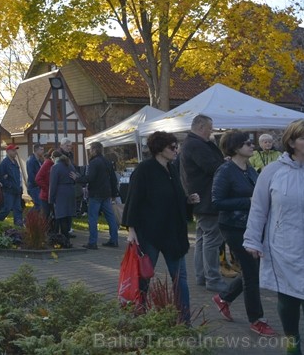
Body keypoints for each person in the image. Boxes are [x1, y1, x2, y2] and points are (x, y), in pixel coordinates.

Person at [244, 119, 304, 354]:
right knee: (288, 303)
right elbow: (258, 208)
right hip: (285, 249)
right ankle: (292, 345)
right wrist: (252, 240)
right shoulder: (273, 171)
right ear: (292, 142)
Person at [123, 131, 198, 324]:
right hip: (150, 233)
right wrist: (131, 230)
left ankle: (185, 321)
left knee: (180, 279)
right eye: (172, 147)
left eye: (177, 146)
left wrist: (188, 201)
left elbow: (174, 198)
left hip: (173, 233)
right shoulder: (144, 170)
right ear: (159, 149)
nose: (176, 150)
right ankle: (137, 318)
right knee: (144, 278)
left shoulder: (172, 169)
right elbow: (134, 200)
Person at [210, 131, 277, 337]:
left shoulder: (249, 169)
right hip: (233, 227)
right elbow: (217, 201)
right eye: (246, 143)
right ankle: (256, 319)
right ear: (235, 147)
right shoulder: (225, 170)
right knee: (251, 273)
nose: (252, 145)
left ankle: (224, 298)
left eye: (250, 142)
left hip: (252, 226)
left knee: (253, 270)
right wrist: (248, 202)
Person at [179, 114, 227, 292]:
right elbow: (212, 167)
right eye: (209, 128)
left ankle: (202, 275)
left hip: (200, 197)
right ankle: (212, 278)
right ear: (200, 127)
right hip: (207, 198)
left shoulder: (190, 143)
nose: (211, 131)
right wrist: (226, 164)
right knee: (211, 240)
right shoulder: (197, 145)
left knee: (202, 238)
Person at [76, 141, 119, 249]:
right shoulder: (107, 161)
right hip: (106, 193)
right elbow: (113, 179)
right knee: (111, 217)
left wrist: (77, 178)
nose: (90, 151)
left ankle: (92, 242)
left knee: (93, 218)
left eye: (90, 149)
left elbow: (90, 178)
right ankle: (114, 240)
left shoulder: (94, 162)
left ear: (94, 150)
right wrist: (114, 193)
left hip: (96, 193)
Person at [49, 150, 77, 241]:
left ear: (54, 158)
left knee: (61, 215)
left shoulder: (55, 167)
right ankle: (67, 234)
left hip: (60, 192)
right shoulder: (70, 165)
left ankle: (64, 238)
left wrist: (51, 198)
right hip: (71, 191)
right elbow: (75, 178)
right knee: (69, 215)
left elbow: (53, 184)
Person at [0, 144, 24, 227]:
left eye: (15, 150)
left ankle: (18, 226)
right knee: (7, 209)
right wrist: (9, 185)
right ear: (8, 151)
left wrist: (20, 186)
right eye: (13, 150)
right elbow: (1, 177)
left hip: (17, 190)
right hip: (9, 191)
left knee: (18, 209)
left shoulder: (15, 162)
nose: (15, 152)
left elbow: (18, 175)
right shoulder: (4, 163)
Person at [34, 151, 54, 227]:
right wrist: (47, 189)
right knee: (45, 215)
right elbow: (38, 178)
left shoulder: (52, 165)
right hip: (46, 195)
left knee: (50, 216)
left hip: (51, 194)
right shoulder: (47, 164)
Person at [26, 143, 44, 210]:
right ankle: (27, 219)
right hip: (34, 187)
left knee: (39, 205)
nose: (43, 151)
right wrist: (38, 183)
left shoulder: (40, 160)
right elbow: (31, 175)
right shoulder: (31, 160)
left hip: (39, 186)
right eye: (41, 149)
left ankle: (30, 219)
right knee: (39, 205)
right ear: (36, 150)